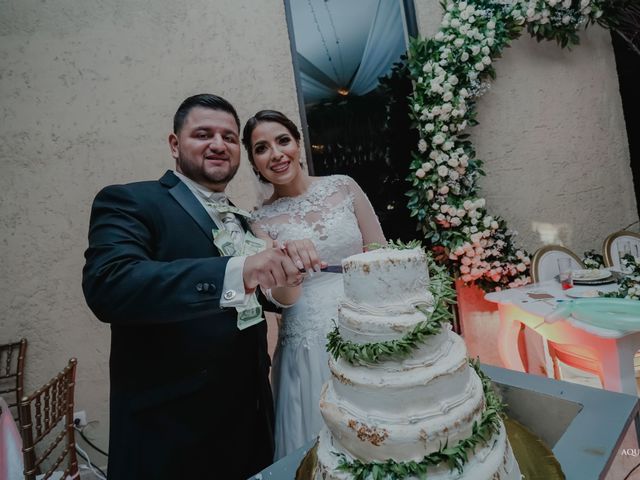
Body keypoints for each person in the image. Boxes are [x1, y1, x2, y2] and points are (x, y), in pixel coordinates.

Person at [82, 94, 317, 479]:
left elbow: (255, 297)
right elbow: (110, 285)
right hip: (174, 430)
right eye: (203, 134)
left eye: (227, 136)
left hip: (251, 417)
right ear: (175, 145)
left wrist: (285, 274)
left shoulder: (240, 219)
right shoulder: (132, 201)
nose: (218, 144)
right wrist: (239, 270)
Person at [242, 110, 386, 459]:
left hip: (365, 319)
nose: (275, 154)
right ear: (254, 163)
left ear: (298, 144)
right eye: (262, 148)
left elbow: (380, 253)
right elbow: (281, 299)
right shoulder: (258, 222)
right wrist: (290, 273)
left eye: (282, 141)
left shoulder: (343, 186)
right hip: (308, 340)